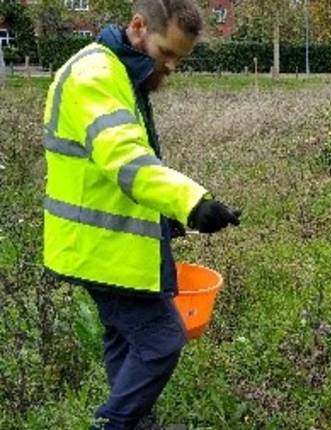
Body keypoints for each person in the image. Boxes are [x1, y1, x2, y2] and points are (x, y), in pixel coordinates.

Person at [41, 1, 241, 428]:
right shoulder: (93, 75)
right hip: (96, 247)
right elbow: (127, 160)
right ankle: (115, 423)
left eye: (179, 59)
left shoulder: (119, 73)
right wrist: (193, 204)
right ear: (137, 27)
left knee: (123, 337)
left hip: (108, 247)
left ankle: (137, 421)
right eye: (166, 53)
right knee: (163, 339)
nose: (170, 67)